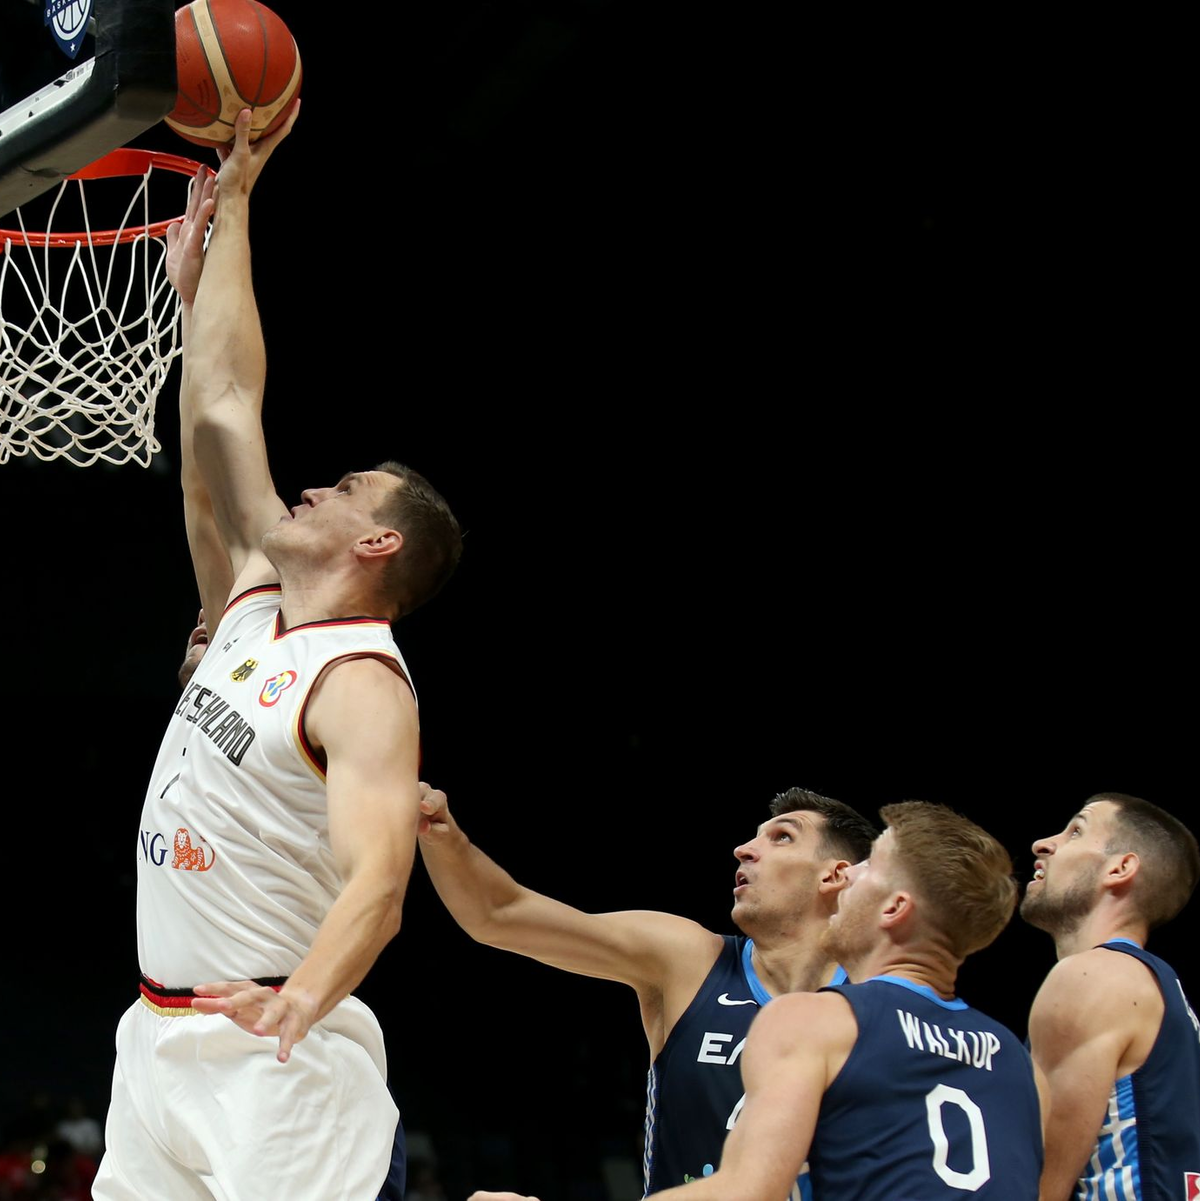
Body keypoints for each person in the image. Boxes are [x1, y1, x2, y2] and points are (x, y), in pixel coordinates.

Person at [92, 105, 462, 1201]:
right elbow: (220, 406)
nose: (313, 486)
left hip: (279, 1051)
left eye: (344, 490)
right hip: (158, 1035)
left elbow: (381, 884)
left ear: (378, 542)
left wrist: (302, 1001)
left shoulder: (361, 689)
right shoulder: (255, 602)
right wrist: (228, 223)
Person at [416, 781, 878, 1196]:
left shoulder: (880, 1004)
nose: (743, 849)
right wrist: (444, 837)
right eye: (754, 836)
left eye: (782, 837)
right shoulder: (690, 961)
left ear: (834, 875)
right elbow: (500, 915)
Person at [643, 801, 1044, 1200]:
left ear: (894, 907)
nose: (848, 872)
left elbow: (748, 1190)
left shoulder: (816, 1018)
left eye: (870, 866)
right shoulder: (1011, 1053)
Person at [1020, 793, 1200, 1201]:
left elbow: (1038, 1186)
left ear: (1120, 868)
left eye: (1076, 831)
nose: (1043, 844)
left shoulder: (1091, 977)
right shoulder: (1155, 985)